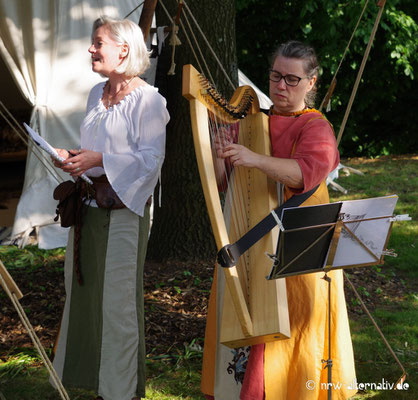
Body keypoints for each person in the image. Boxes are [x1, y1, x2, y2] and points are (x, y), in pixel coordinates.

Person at [201, 41, 356, 400]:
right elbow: (223, 181)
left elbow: (304, 173)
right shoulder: (254, 123)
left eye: (291, 79)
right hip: (252, 238)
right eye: (275, 76)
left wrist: (253, 159)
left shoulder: (315, 127)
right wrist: (219, 151)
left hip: (298, 242)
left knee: (297, 326)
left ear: (311, 83)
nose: (281, 86)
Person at [51, 16, 169, 400]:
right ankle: (89, 379)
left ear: (124, 49)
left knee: (118, 305)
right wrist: (73, 158)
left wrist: (99, 158)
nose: (90, 49)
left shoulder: (149, 100)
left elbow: (151, 160)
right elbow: (95, 152)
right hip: (86, 207)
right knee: (83, 296)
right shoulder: (95, 95)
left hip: (123, 211)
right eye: (91, 42)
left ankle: (119, 391)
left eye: (97, 42)